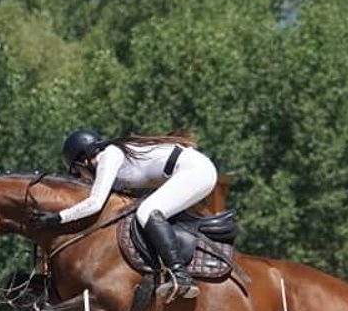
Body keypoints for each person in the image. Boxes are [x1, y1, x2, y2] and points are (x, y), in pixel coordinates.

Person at [27, 128, 219, 302]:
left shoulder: (108, 156)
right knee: (144, 211)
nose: (81, 178)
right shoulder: (112, 159)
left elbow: (95, 203)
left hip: (196, 171)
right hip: (190, 172)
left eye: (77, 172)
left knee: (147, 211)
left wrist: (58, 217)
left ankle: (180, 274)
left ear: (85, 159)